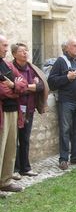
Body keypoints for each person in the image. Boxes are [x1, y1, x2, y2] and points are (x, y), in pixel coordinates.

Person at [47, 38, 76, 170]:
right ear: (66, 48)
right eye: (75, 46)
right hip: (67, 101)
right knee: (65, 130)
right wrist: (67, 78)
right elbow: (51, 82)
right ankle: (63, 159)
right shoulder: (61, 61)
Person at [11, 43, 48, 177]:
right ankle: (13, 169)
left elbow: (40, 87)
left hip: (29, 109)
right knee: (13, 140)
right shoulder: (10, 68)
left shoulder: (31, 69)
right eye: (22, 51)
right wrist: (30, 85)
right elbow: (13, 88)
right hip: (14, 109)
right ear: (14, 54)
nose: (26, 53)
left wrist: (23, 86)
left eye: (26, 51)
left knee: (25, 138)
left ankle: (25, 168)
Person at [0, 35, 28, 194]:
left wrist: (13, 85)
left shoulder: (6, 64)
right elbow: (2, 92)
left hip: (12, 112)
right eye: (4, 45)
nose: (6, 48)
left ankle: (5, 181)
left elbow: (23, 83)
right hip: (1, 114)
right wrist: (15, 89)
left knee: (10, 149)